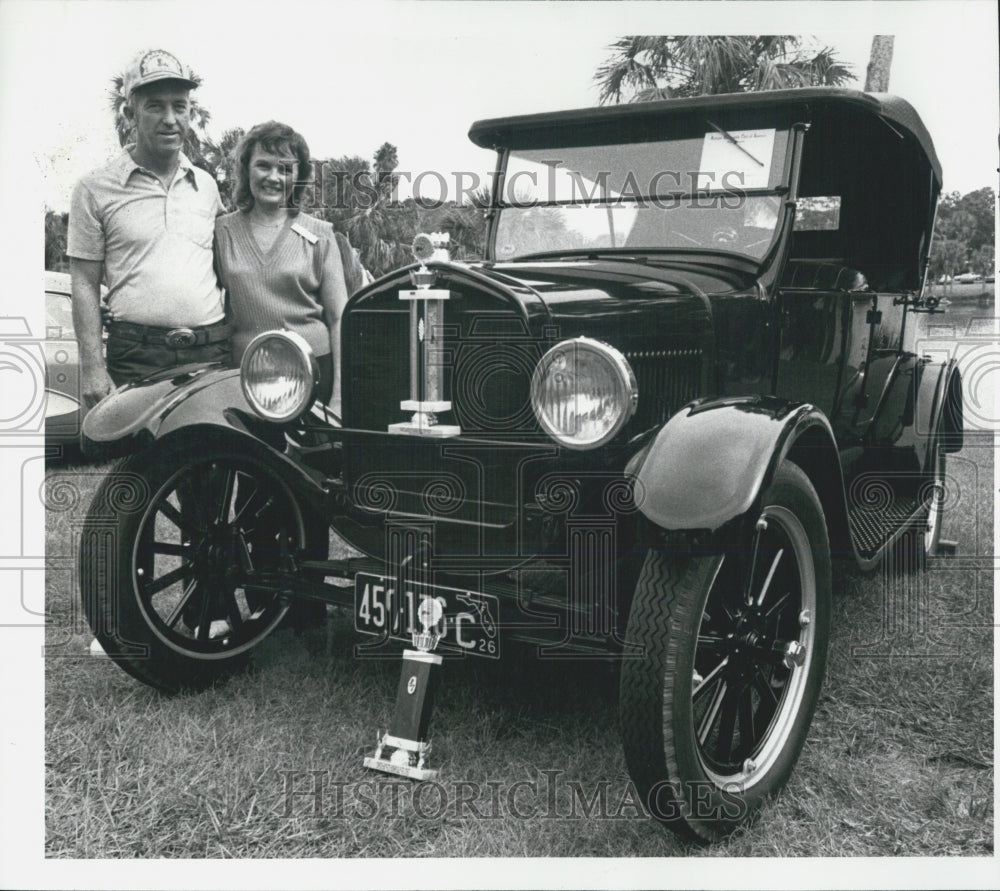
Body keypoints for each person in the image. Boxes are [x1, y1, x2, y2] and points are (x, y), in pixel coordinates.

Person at [68, 48, 231, 409]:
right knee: (142, 463)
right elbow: (83, 282)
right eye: (155, 106)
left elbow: (229, 264)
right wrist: (93, 369)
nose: (170, 119)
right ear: (130, 113)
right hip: (136, 356)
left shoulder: (206, 186)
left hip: (210, 352)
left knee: (212, 460)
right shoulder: (94, 188)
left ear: (191, 112)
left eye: (180, 106)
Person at [214, 121, 349, 409]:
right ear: (246, 168)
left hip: (312, 375)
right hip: (245, 378)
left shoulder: (321, 233)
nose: (273, 177)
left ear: (299, 176)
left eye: (285, 168)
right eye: (263, 165)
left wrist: (339, 398)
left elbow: (340, 319)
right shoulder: (221, 232)